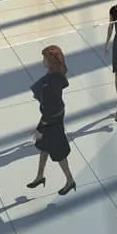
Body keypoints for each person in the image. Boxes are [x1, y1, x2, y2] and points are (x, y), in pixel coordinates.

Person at [26, 45, 76, 194]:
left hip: (52, 121)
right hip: (54, 117)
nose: (43, 61)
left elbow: (50, 107)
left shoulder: (51, 82)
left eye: (44, 58)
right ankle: (40, 176)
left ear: (51, 61)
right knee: (44, 148)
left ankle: (70, 180)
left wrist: (41, 127)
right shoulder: (56, 76)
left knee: (58, 153)